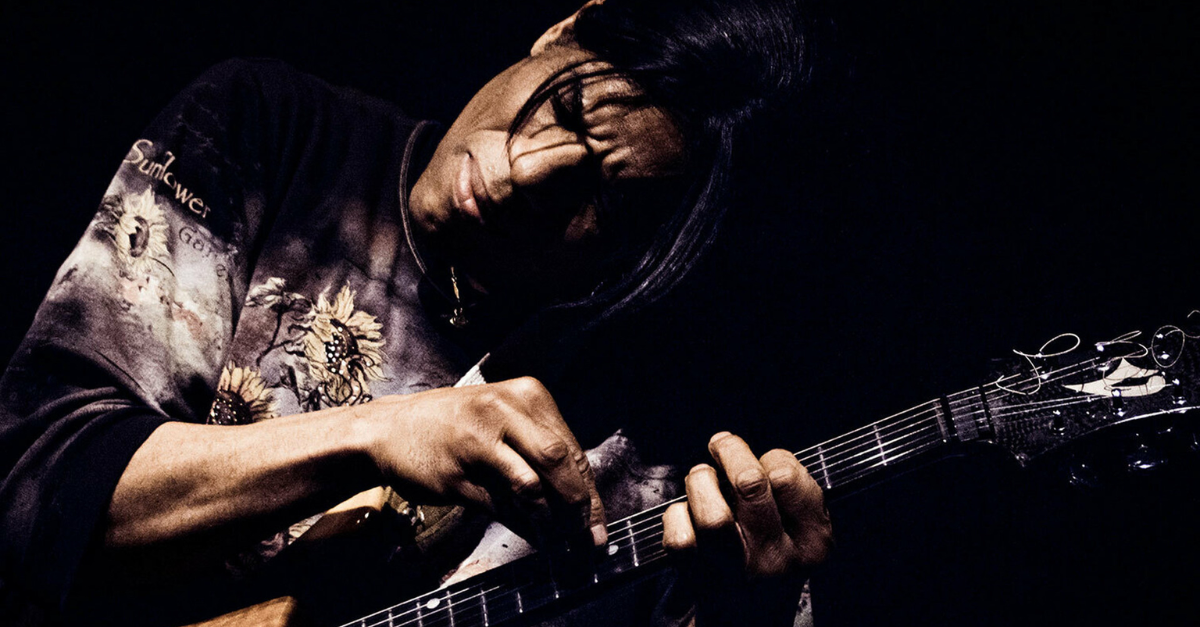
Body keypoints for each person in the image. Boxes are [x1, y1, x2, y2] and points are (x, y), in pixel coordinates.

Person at [0, 0, 832, 625]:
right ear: (563, 29)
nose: (522, 173)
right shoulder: (272, 129)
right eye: (569, 108)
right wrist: (381, 432)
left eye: (600, 200)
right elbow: (39, 487)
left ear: (641, 254)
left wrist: (748, 613)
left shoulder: (647, 444)